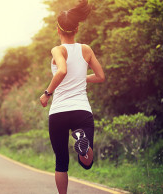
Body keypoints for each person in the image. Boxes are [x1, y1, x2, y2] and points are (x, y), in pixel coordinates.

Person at [39, 0, 105, 193]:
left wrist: (46, 94)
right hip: (81, 111)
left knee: (61, 162)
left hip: (59, 112)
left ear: (58, 30)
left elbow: (61, 71)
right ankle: (82, 144)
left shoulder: (57, 50)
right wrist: (81, 78)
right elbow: (101, 77)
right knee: (86, 163)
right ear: (77, 29)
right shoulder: (86, 49)